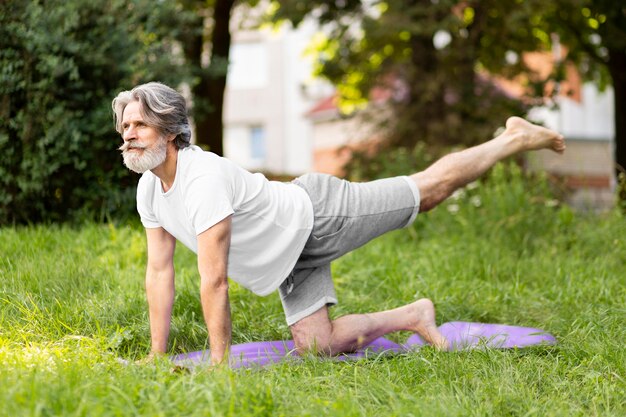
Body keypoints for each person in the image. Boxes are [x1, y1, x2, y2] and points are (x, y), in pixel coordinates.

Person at [112, 82, 565, 365]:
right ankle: (413, 315)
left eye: (140, 125)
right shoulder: (150, 188)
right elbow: (159, 272)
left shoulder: (202, 179)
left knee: (427, 192)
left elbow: (213, 283)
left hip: (318, 215)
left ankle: (513, 138)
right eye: (125, 127)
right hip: (289, 261)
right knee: (318, 347)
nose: (128, 134)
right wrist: (156, 355)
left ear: (171, 132)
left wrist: (219, 366)